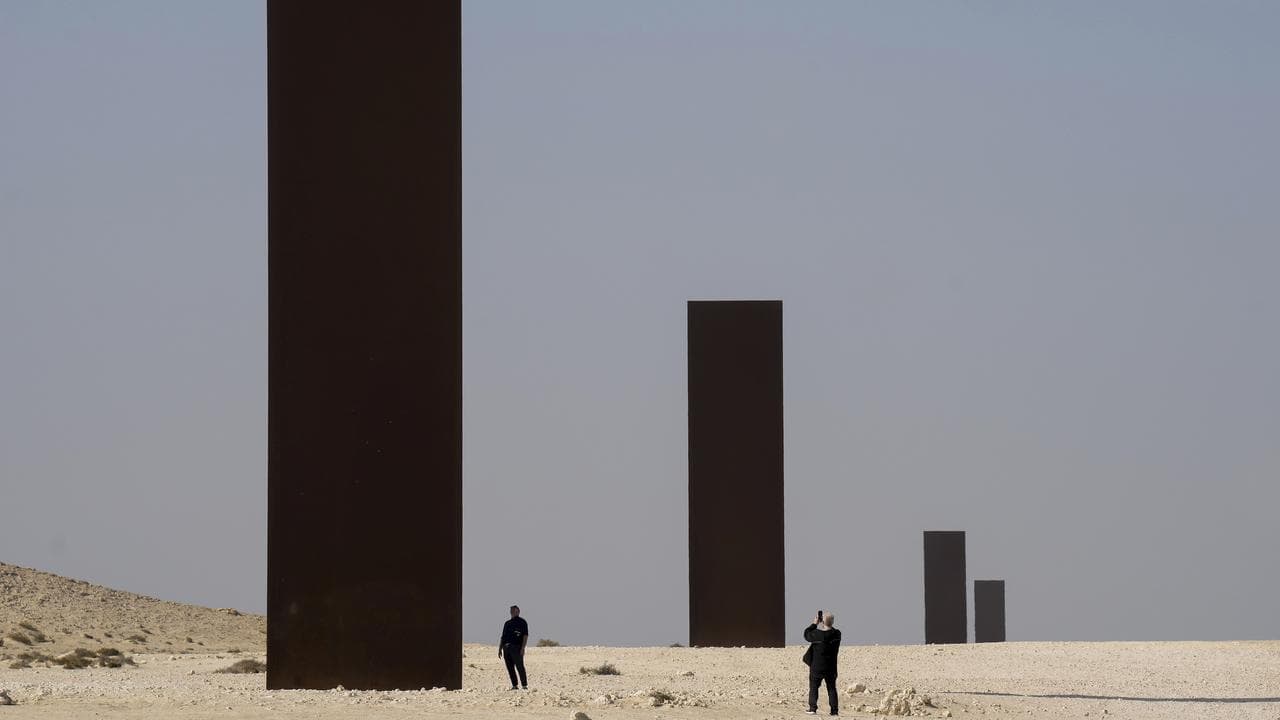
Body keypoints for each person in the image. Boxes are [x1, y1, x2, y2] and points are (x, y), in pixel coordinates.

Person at [804, 611, 841, 715]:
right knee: (832, 688)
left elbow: (806, 634)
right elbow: (832, 630)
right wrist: (827, 622)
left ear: (822, 621)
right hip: (831, 667)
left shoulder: (816, 634)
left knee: (814, 687)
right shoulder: (837, 634)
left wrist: (814, 624)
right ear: (832, 622)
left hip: (817, 667)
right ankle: (834, 711)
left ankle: (812, 708)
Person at [498, 604, 529, 690]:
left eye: (515, 611)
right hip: (506, 647)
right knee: (510, 667)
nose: (513, 612)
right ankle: (514, 685)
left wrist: (523, 648)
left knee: (520, 666)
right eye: (511, 611)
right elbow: (503, 637)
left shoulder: (522, 622)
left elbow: (525, 635)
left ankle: (524, 685)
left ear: (518, 611)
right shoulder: (507, 623)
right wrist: (500, 648)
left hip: (517, 647)